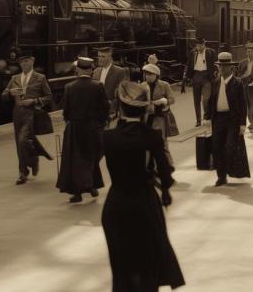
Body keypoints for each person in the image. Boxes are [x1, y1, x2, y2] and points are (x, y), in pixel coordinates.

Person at [101, 81, 184, 291]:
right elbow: (166, 172)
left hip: (115, 206)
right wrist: (164, 188)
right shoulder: (152, 137)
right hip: (144, 204)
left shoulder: (108, 138)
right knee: (148, 262)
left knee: (121, 266)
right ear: (144, 108)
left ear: (119, 106)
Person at [57, 57, 110, 203]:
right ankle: (91, 185)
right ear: (91, 70)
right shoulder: (98, 86)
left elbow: (65, 110)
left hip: (75, 128)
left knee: (74, 160)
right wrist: (100, 123)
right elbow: (105, 107)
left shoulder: (69, 87)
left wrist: (71, 121)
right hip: (93, 128)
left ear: (78, 70)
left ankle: (78, 192)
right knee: (91, 157)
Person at [2, 51, 53, 185]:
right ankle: (22, 172)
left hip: (32, 113)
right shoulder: (14, 78)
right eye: (22, 62)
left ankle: (33, 160)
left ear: (33, 61)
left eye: (27, 61)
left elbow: (49, 97)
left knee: (23, 140)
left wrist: (34, 101)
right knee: (19, 143)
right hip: (17, 113)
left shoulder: (40, 78)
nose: (24, 64)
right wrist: (9, 92)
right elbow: (3, 95)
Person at [203, 52, 250, 186]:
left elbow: (243, 105)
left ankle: (230, 169)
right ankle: (221, 177)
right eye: (220, 66)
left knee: (229, 147)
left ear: (231, 67)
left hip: (232, 120)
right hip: (218, 119)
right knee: (216, 147)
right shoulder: (215, 82)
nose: (221, 69)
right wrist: (206, 117)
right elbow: (211, 101)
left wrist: (242, 123)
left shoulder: (237, 83)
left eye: (224, 66)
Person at [142, 63, 177, 166]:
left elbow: (172, 99)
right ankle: (149, 167)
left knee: (162, 142)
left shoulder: (164, 85)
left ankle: (169, 165)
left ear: (156, 75)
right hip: (146, 118)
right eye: (146, 74)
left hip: (159, 117)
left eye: (150, 74)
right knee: (146, 143)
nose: (147, 76)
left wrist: (164, 101)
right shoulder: (142, 86)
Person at [184, 38, 216, 128]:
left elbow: (214, 64)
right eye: (197, 46)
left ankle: (206, 117)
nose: (198, 47)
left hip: (206, 77)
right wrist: (187, 77)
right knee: (196, 100)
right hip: (196, 76)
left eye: (200, 45)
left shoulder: (210, 52)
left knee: (206, 99)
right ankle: (198, 120)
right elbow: (188, 64)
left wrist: (214, 75)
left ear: (204, 44)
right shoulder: (193, 53)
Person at [93, 47, 127, 123]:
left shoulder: (119, 72)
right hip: (96, 112)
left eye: (103, 56)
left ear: (110, 57)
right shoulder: (96, 71)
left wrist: (111, 106)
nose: (100, 59)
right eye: (99, 56)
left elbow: (121, 93)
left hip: (111, 112)